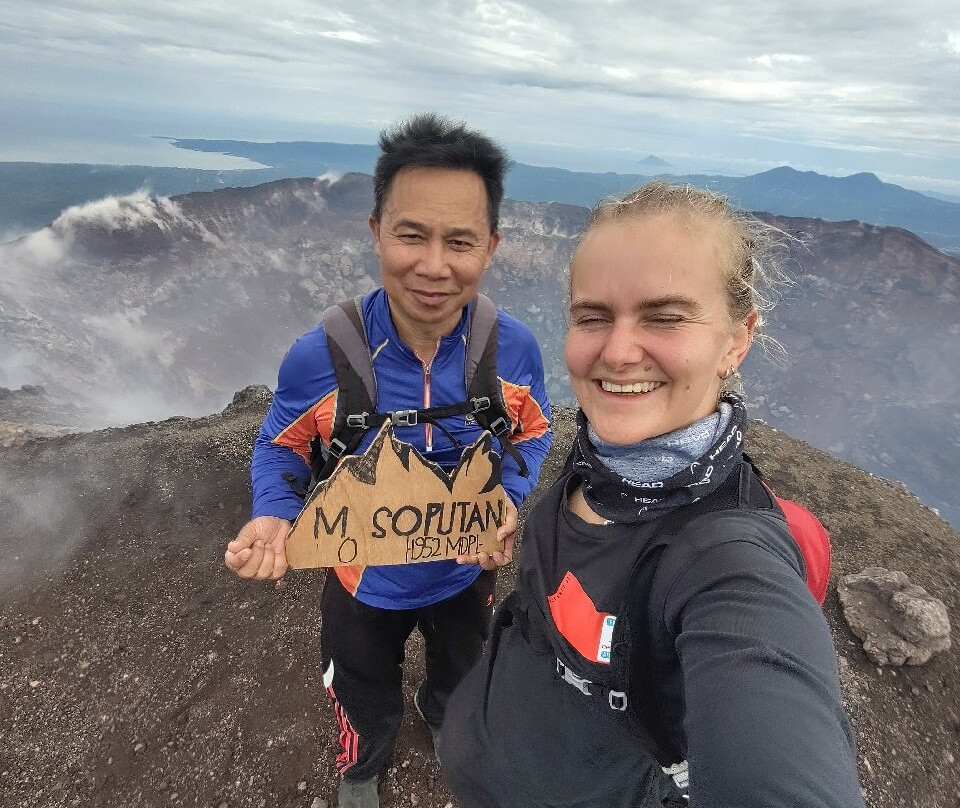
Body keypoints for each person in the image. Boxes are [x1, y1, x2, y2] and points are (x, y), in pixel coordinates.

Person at [441, 182, 866, 807]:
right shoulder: (601, 462)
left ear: (736, 339)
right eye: (592, 316)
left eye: (665, 317)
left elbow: (775, 761)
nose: (616, 352)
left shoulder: (727, 563)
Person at [223, 113, 552, 808]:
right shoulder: (323, 358)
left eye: (460, 241)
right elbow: (281, 446)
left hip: (465, 569)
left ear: (490, 247)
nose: (434, 265)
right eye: (412, 234)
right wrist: (277, 517)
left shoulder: (510, 352)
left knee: (464, 670)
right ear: (377, 230)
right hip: (357, 575)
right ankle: (365, 755)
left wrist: (509, 501)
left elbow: (533, 434)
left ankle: (442, 714)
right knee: (357, 678)